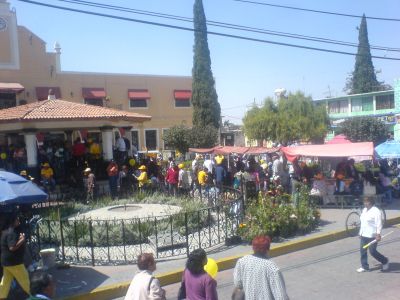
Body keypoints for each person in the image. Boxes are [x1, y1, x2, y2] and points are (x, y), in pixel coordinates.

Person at [233, 235, 289, 300]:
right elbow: (281, 297)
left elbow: (238, 284)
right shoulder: (272, 268)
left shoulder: (242, 261)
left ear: (253, 248)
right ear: (268, 249)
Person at [0, 214, 31, 299]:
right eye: (17, 220)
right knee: (25, 280)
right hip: (14, 263)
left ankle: (1, 297)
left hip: (6, 262)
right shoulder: (12, 232)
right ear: (13, 221)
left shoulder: (5, 231)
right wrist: (22, 240)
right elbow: (12, 247)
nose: (19, 221)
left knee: (5, 282)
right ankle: (32, 296)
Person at [357, 197, 389, 273]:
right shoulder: (364, 210)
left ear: (371, 202)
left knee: (372, 252)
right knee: (362, 251)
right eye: (364, 202)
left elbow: (379, 224)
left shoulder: (376, 211)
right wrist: (360, 232)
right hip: (364, 234)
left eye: (367, 202)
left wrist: (378, 234)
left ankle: (385, 261)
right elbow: (363, 223)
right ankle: (365, 267)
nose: (365, 203)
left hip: (372, 235)